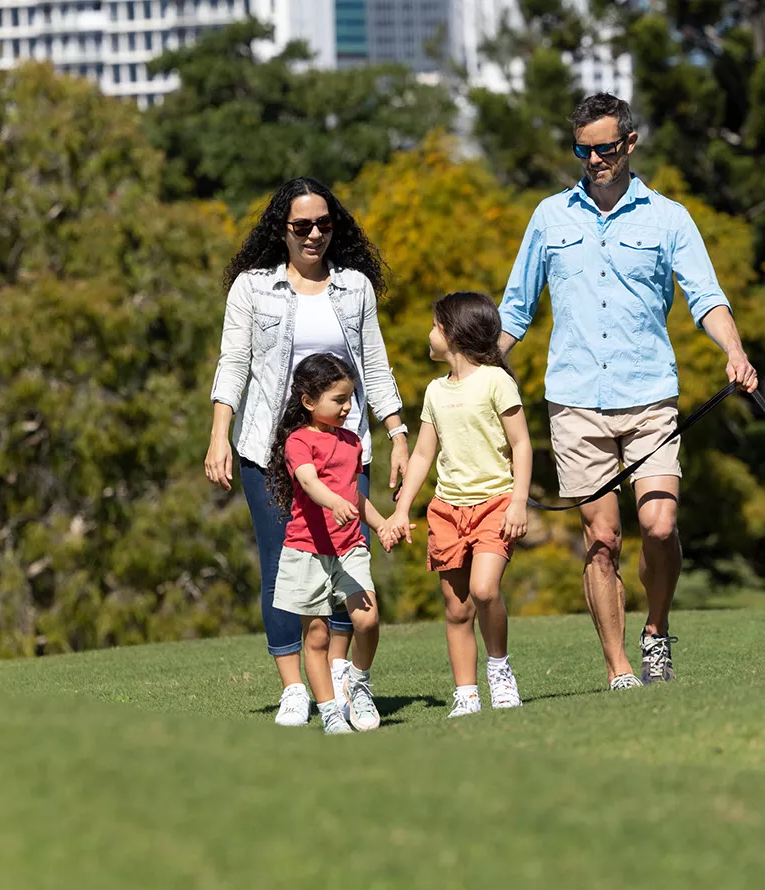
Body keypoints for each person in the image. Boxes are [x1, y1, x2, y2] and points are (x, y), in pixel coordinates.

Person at [496, 93, 760, 691]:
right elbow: (516, 308)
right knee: (603, 538)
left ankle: (656, 631)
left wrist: (734, 351)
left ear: (630, 144)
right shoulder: (549, 217)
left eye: (605, 148)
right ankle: (619, 668)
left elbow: (706, 296)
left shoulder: (669, 218)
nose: (594, 159)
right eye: (583, 149)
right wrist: (480, 370)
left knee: (661, 527)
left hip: (648, 395)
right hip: (574, 399)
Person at [204, 177, 410, 727]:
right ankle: (294, 685)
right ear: (283, 230)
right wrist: (219, 433)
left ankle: (340, 680)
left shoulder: (355, 288)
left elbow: (376, 366)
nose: (314, 234)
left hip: (346, 452)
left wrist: (397, 436)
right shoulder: (252, 288)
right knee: (283, 568)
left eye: (324, 223)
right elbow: (234, 363)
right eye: (302, 226)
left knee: (346, 562)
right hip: (269, 452)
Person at [381, 293, 532, 718]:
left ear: (453, 333)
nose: (428, 335)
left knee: (485, 590)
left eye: (434, 325)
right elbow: (424, 456)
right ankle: (466, 695)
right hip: (448, 510)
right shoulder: (434, 391)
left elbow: (521, 444)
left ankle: (499, 670)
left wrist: (519, 502)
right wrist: (401, 509)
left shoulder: (496, 382)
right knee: (457, 608)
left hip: (494, 505)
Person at [267, 353, 390, 734]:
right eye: (338, 400)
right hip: (306, 551)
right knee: (317, 635)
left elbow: (354, 495)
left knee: (367, 619)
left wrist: (382, 524)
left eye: (350, 398)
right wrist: (333, 501)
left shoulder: (353, 442)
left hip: (349, 546)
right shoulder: (298, 441)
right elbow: (308, 482)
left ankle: (358, 681)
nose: (347, 407)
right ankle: (330, 711)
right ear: (308, 401)